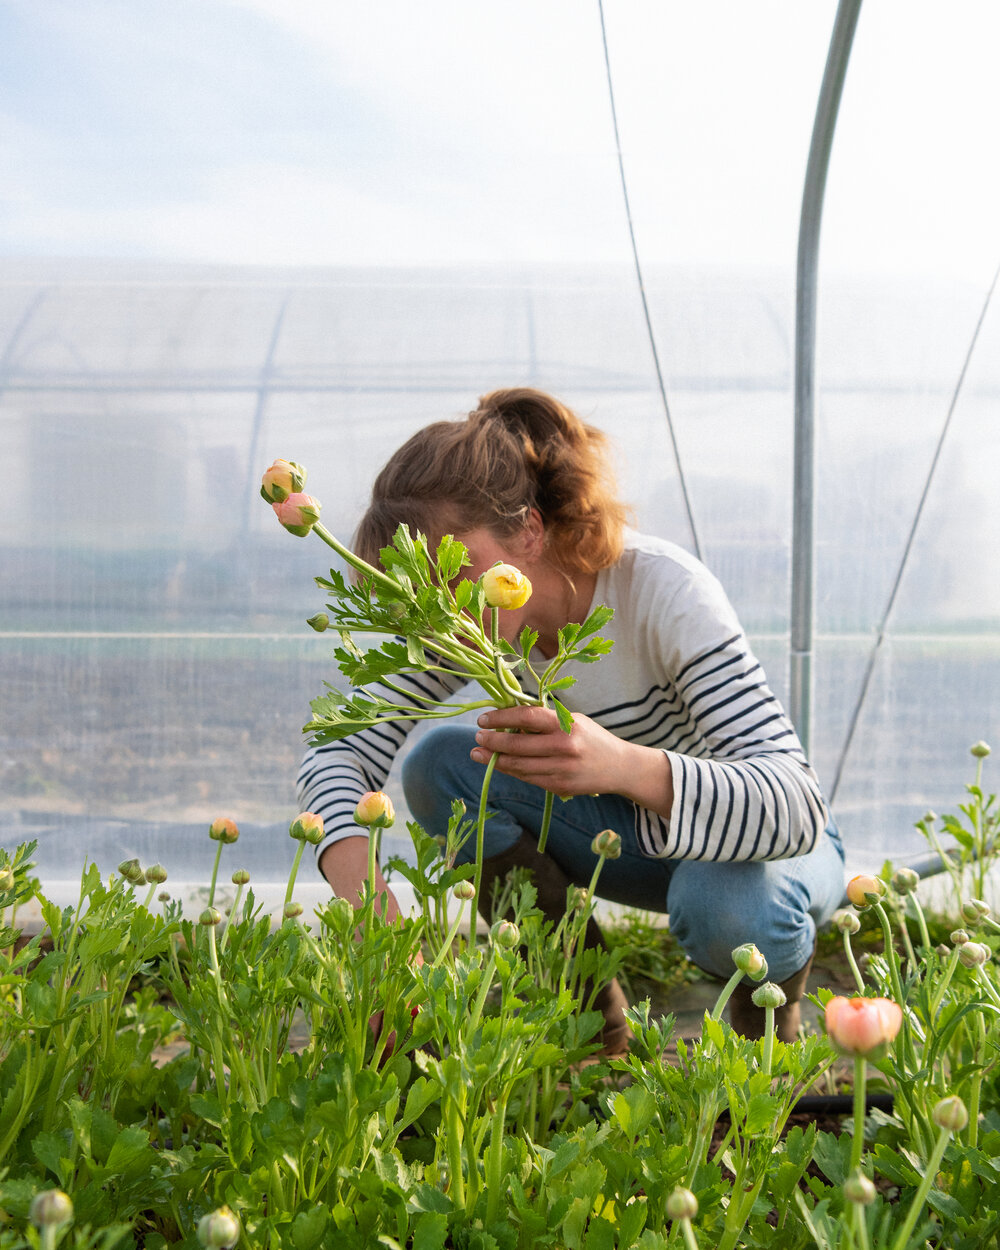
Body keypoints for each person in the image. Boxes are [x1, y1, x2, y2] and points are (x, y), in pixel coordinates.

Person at [297, 387, 846, 1051]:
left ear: (528, 531)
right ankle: (587, 1018)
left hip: (759, 851)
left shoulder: (663, 590)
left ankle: (768, 1067)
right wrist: (378, 932)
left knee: (724, 905)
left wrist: (619, 763)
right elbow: (336, 754)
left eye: (453, 573)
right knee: (439, 766)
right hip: (626, 842)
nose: (440, 616)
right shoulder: (466, 621)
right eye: (418, 592)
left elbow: (795, 806)